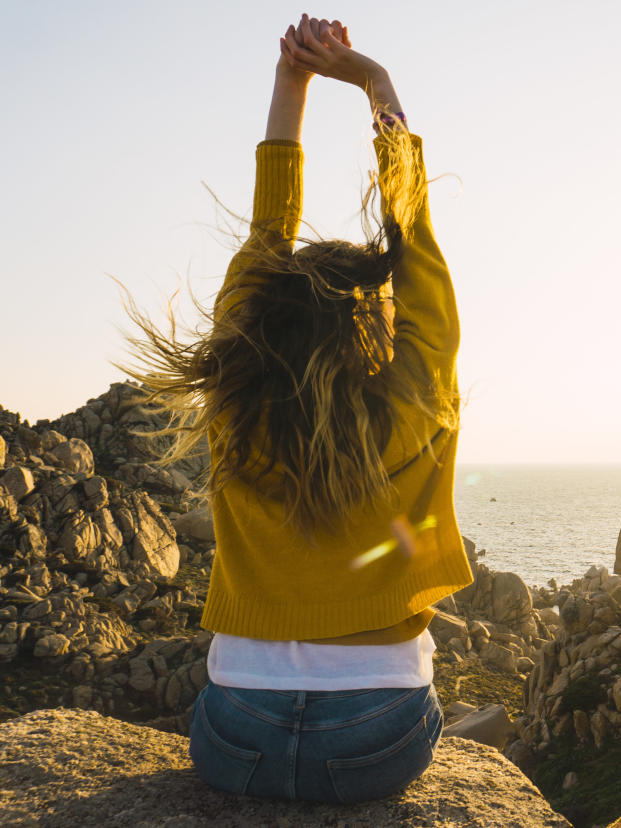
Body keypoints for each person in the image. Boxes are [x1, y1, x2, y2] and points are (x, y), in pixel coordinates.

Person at [122, 15, 472, 803]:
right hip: (377, 735)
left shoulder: (239, 393)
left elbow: (267, 233)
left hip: (235, 733)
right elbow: (411, 237)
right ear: (372, 319)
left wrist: (291, 85)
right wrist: (373, 82)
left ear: (265, 320)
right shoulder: (414, 394)